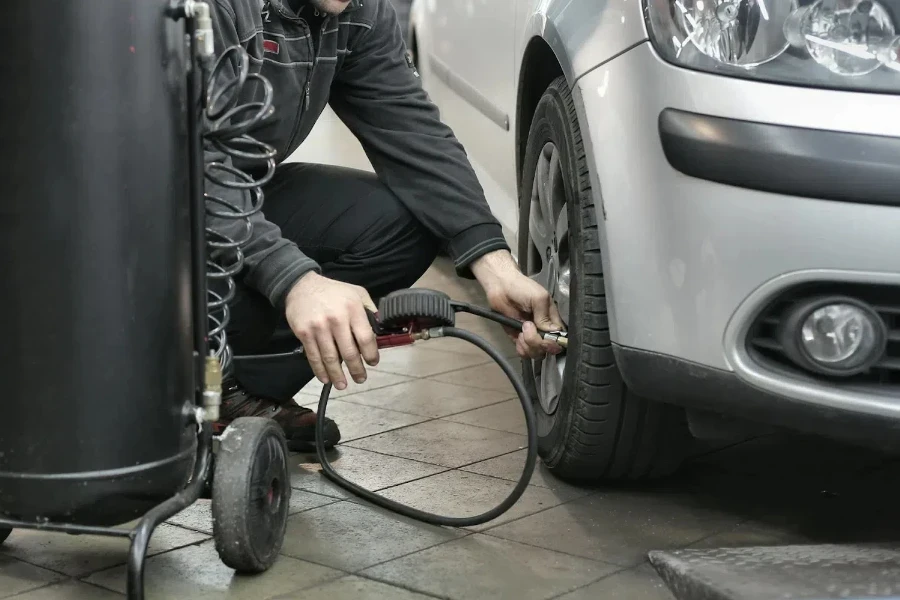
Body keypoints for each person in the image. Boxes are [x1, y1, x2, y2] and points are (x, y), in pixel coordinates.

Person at [207, 0, 564, 452]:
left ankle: (231, 387)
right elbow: (184, 165)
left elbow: (411, 131)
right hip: (140, 214)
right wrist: (294, 280)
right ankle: (156, 371)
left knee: (404, 224)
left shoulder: (354, 11)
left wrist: (494, 265)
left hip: (231, 195)